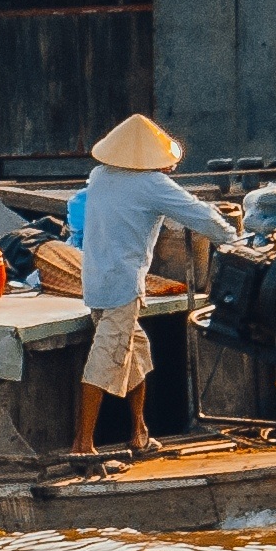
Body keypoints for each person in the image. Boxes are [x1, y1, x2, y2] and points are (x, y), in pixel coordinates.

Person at [71, 113, 243, 457]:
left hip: (95, 281)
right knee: (104, 359)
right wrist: (233, 237)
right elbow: (199, 215)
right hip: (122, 286)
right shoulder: (151, 185)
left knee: (135, 350)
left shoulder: (100, 175)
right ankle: (82, 445)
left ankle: (139, 432)